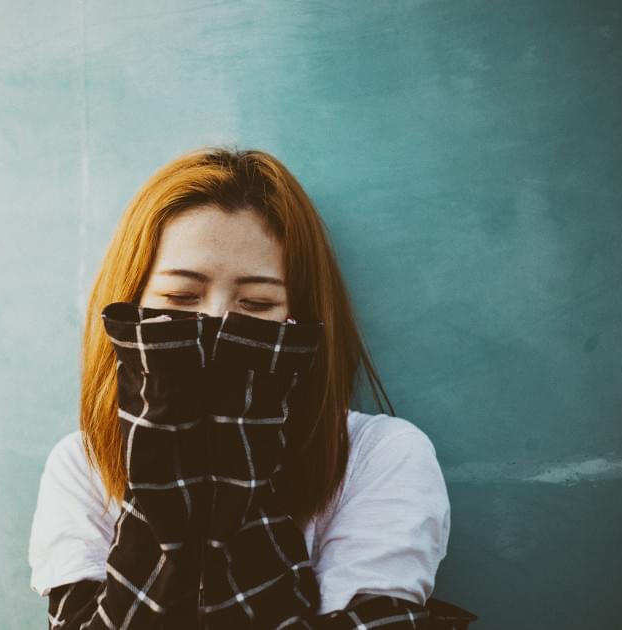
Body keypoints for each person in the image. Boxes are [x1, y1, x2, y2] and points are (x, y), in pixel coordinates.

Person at [27, 147, 476, 628]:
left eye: (257, 304)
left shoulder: (382, 455)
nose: (216, 324)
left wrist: (238, 446)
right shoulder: (83, 467)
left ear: (300, 318)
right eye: (181, 297)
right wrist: (165, 454)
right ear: (132, 298)